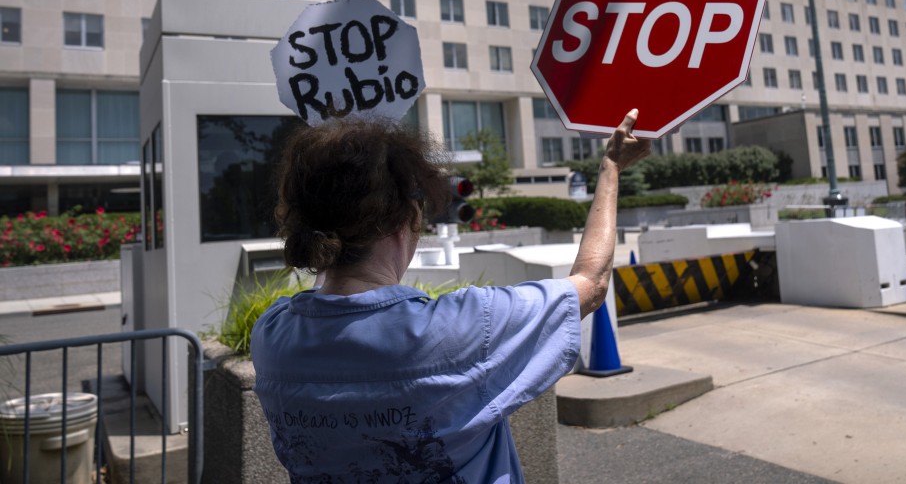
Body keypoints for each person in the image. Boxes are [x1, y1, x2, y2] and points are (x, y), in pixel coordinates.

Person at [251, 109, 651, 483]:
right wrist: (611, 168)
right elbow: (591, 283)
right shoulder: (460, 326)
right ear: (407, 218)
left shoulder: (272, 337)